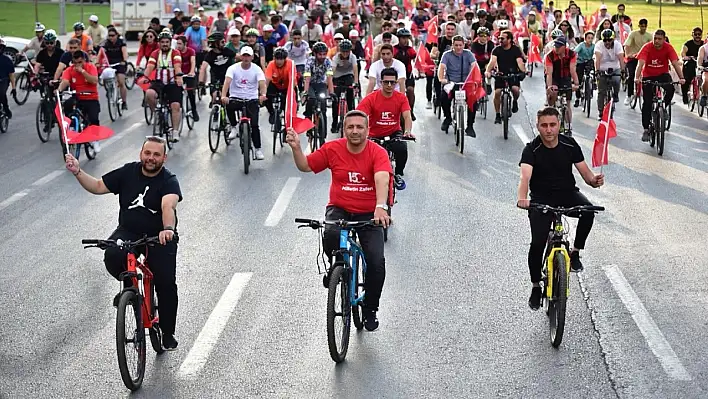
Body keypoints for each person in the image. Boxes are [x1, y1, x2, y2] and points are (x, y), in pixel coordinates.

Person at [64, 136, 182, 350]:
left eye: (156, 154)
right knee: (112, 254)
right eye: (148, 153)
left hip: (159, 235)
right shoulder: (128, 172)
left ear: (164, 157)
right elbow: (99, 186)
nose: (151, 158)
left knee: (165, 283)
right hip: (129, 231)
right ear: (141, 154)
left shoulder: (169, 180)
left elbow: (168, 206)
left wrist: (167, 230)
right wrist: (78, 172)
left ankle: (166, 331)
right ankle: (130, 289)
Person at [284, 109, 392, 331]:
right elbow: (305, 166)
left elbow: (382, 177)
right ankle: (337, 268)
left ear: (367, 130)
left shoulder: (377, 152)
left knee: (376, 262)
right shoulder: (333, 149)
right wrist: (296, 147)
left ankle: (370, 308)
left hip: (369, 212)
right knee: (330, 234)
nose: (355, 131)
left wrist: (380, 207)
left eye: (359, 127)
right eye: (350, 127)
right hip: (340, 208)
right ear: (344, 130)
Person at [517, 107, 604, 310]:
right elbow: (525, 177)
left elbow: (586, 174)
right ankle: (536, 285)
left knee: (588, 211)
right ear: (538, 126)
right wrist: (522, 198)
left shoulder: (569, 144)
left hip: (566, 194)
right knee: (537, 243)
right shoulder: (531, 149)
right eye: (544, 125)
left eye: (553, 125)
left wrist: (594, 180)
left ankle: (575, 252)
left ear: (559, 125)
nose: (548, 130)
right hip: (541, 199)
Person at [356, 67, 413, 189]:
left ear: (396, 83)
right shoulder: (372, 98)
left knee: (402, 148)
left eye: (392, 82)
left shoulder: (401, 98)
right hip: (374, 134)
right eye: (386, 82)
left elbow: (407, 116)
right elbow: (359, 115)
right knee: (365, 157)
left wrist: (407, 131)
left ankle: (398, 173)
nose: (389, 85)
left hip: (394, 132)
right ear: (380, 82)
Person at [635, 29, 685, 142]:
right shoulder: (647, 47)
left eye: (659, 39)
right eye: (655, 39)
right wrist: (637, 78)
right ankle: (646, 129)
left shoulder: (668, 47)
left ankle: (664, 107)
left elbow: (675, 63)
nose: (656, 41)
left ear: (664, 39)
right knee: (647, 103)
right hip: (648, 75)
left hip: (663, 74)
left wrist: (681, 78)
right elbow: (640, 64)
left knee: (670, 89)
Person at [221, 46, 267, 160]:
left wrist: (263, 95)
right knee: (229, 106)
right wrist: (223, 96)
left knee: (255, 125)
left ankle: (257, 149)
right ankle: (233, 127)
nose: (246, 58)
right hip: (236, 97)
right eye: (244, 56)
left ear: (252, 57)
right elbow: (227, 82)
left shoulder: (256, 69)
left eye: (248, 56)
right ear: (241, 56)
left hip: (251, 99)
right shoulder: (233, 68)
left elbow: (262, 83)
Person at [143, 30, 184, 143]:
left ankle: (175, 132)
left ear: (170, 42)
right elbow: (150, 66)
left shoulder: (175, 53)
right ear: (159, 43)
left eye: (167, 42)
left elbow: (177, 66)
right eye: (162, 42)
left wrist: (179, 77)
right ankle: (156, 112)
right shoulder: (155, 53)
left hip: (172, 82)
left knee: (175, 105)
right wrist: (145, 76)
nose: (165, 44)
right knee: (149, 93)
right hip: (159, 82)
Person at [57, 50, 102, 152]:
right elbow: (65, 81)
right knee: (68, 104)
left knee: (93, 118)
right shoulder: (69, 70)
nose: (77, 65)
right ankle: (72, 127)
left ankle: (95, 139)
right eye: (75, 63)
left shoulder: (91, 67)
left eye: (80, 62)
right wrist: (59, 90)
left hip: (91, 97)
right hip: (77, 97)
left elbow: (94, 80)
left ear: (84, 61)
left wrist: (82, 71)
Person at [438, 35, 477, 136]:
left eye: (460, 45)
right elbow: (441, 67)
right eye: (456, 45)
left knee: (473, 101)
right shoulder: (447, 55)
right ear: (452, 45)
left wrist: (475, 79)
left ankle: (470, 126)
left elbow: (474, 67)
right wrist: (441, 78)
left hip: (466, 83)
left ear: (464, 45)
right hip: (451, 83)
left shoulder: (468, 54)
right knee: (443, 97)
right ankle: (448, 118)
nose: (458, 47)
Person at [485, 29, 527, 125]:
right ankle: (497, 114)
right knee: (497, 93)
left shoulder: (515, 50)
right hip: (501, 74)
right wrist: (488, 71)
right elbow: (492, 61)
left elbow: (519, 62)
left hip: (513, 74)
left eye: (502, 38)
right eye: (499, 38)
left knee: (515, 90)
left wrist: (523, 71)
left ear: (509, 40)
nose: (500, 40)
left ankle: (515, 101)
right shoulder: (497, 49)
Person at [545, 36, 579, 134]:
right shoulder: (550, 56)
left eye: (559, 46)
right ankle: (552, 108)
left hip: (566, 77)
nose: (556, 48)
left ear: (564, 47)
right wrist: (549, 87)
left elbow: (572, 70)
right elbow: (549, 74)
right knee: (553, 92)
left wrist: (576, 84)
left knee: (567, 104)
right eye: (555, 46)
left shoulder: (571, 54)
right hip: (554, 77)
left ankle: (568, 126)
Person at [199, 31, 237, 106]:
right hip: (215, 77)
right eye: (222, 42)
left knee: (227, 99)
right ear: (216, 44)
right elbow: (203, 68)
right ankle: (215, 111)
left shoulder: (226, 51)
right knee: (215, 96)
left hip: (227, 76)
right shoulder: (210, 55)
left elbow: (238, 57)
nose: (224, 44)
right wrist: (201, 82)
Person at [594, 29, 624, 118]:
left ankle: (615, 95)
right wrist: (597, 71)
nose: (607, 42)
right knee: (601, 91)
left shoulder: (617, 45)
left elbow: (621, 59)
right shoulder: (599, 45)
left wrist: (623, 71)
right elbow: (597, 59)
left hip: (615, 67)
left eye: (609, 40)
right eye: (605, 40)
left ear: (613, 39)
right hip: (602, 67)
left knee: (616, 80)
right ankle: (600, 112)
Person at [330, 39, 359, 133]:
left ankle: (352, 119)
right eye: (343, 51)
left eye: (347, 51)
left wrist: (355, 83)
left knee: (350, 99)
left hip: (348, 76)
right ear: (340, 50)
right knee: (335, 101)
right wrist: (330, 83)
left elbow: (355, 70)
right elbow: (332, 71)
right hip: (337, 77)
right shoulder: (336, 58)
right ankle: (334, 123)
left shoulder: (353, 57)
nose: (345, 54)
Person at [303, 42, 334, 123]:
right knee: (311, 100)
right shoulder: (310, 61)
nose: (322, 56)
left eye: (324, 54)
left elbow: (329, 78)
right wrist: (306, 92)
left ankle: (322, 124)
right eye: (320, 54)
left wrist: (331, 92)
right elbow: (307, 78)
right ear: (315, 54)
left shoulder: (328, 62)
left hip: (321, 84)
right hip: (310, 84)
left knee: (323, 102)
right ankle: (308, 119)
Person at [623, 19, 652, 105]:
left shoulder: (649, 36)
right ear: (639, 26)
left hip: (643, 58)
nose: (643, 28)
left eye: (645, 26)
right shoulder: (633, 34)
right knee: (631, 76)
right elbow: (627, 45)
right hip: (633, 58)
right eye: (641, 26)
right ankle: (629, 95)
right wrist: (628, 54)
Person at [102, 27, 129, 110]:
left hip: (120, 63)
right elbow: (101, 52)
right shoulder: (106, 43)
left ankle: (124, 102)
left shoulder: (121, 43)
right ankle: (109, 90)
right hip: (110, 64)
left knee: (121, 82)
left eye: (113, 35)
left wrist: (124, 60)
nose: (111, 37)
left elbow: (125, 53)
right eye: (109, 36)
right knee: (105, 77)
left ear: (117, 35)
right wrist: (97, 62)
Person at [393, 28, 417, 121]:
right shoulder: (394, 49)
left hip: (408, 74)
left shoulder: (410, 50)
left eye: (407, 38)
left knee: (410, 90)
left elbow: (416, 56)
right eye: (403, 38)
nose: (405, 40)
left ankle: (410, 110)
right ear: (399, 39)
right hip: (395, 74)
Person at [264, 47, 292, 124]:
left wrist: (290, 94)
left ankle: (287, 113)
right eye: (277, 59)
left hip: (287, 85)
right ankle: (272, 113)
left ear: (285, 59)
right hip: (275, 85)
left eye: (281, 59)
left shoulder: (290, 64)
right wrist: (263, 93)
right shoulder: (271, 64)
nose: (279, 61)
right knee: (266, 96)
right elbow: (267, 79)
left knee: (290, 97)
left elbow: (292, 80)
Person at [176, 36, 198, 121]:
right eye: (177, 44)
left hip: (188, 74)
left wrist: (192, 72)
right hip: (179, 74)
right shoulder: (176, 52)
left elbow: (193, 62)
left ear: (185, 44)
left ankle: (194, 110)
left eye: (180, 44)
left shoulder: (190, 51)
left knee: (190, 93)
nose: (178, 46)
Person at [680, 27, 703, 105]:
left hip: (699, 64)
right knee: (686, 80)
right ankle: (685, 96)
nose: (697, 36)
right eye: (695, 34)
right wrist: (686, 57)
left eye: (699, 34)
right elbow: (683, 54)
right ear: (692, 35)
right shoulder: (687, 44)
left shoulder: (703, 45)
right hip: (689, 64)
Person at [573, 31, 595, 107]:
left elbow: (596, 53)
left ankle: (593, 83)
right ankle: (577, 98)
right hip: (580, 62)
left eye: (592, 38)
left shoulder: (593, 46)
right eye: (588, 38)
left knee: (594, 70)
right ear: (585, 39)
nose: (590, 40)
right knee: (578, 80)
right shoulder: (581, 45)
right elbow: (575, 52)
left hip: (589, 62)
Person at [0, 37, 17, 119]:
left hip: (3, 80)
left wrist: (13, 88)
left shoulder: (7, 60)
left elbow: (11, 75)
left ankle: (6, 108)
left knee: (1, 94)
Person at [697, 37, 708, 106]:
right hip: (706, 68)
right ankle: (704, 95)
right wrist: (700, 66)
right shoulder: (703, 48)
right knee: (706, 79)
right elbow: (700, 58)